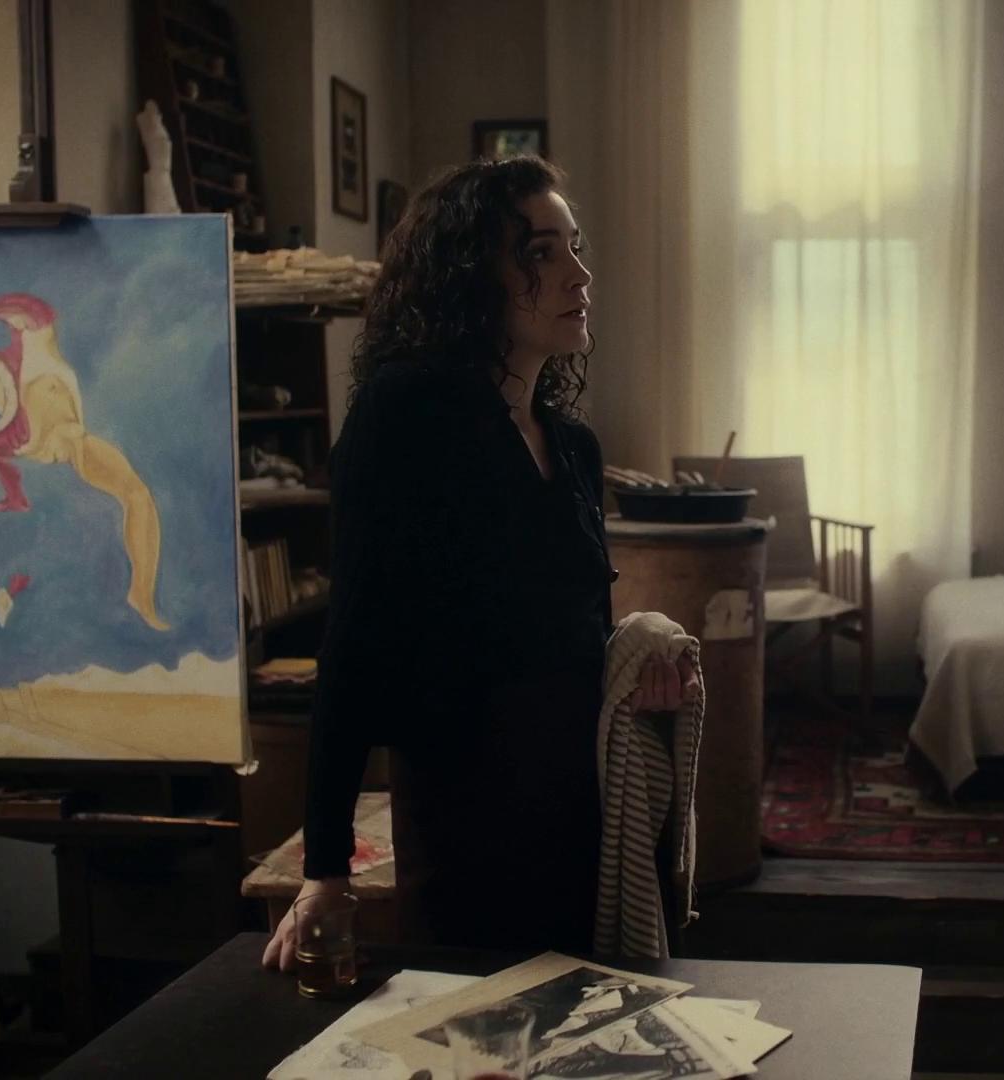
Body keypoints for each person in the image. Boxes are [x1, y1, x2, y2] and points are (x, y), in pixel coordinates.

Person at [262, 156, 696, 970]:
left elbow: (573, 639)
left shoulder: (574, 445)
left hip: (582, 813)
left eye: (574, 248)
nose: (578, 275)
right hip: (466, 828)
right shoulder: (404, 416)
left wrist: (642, 669)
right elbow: (352, 649)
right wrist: (326, 869)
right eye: (540, 253)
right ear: (469, 275)